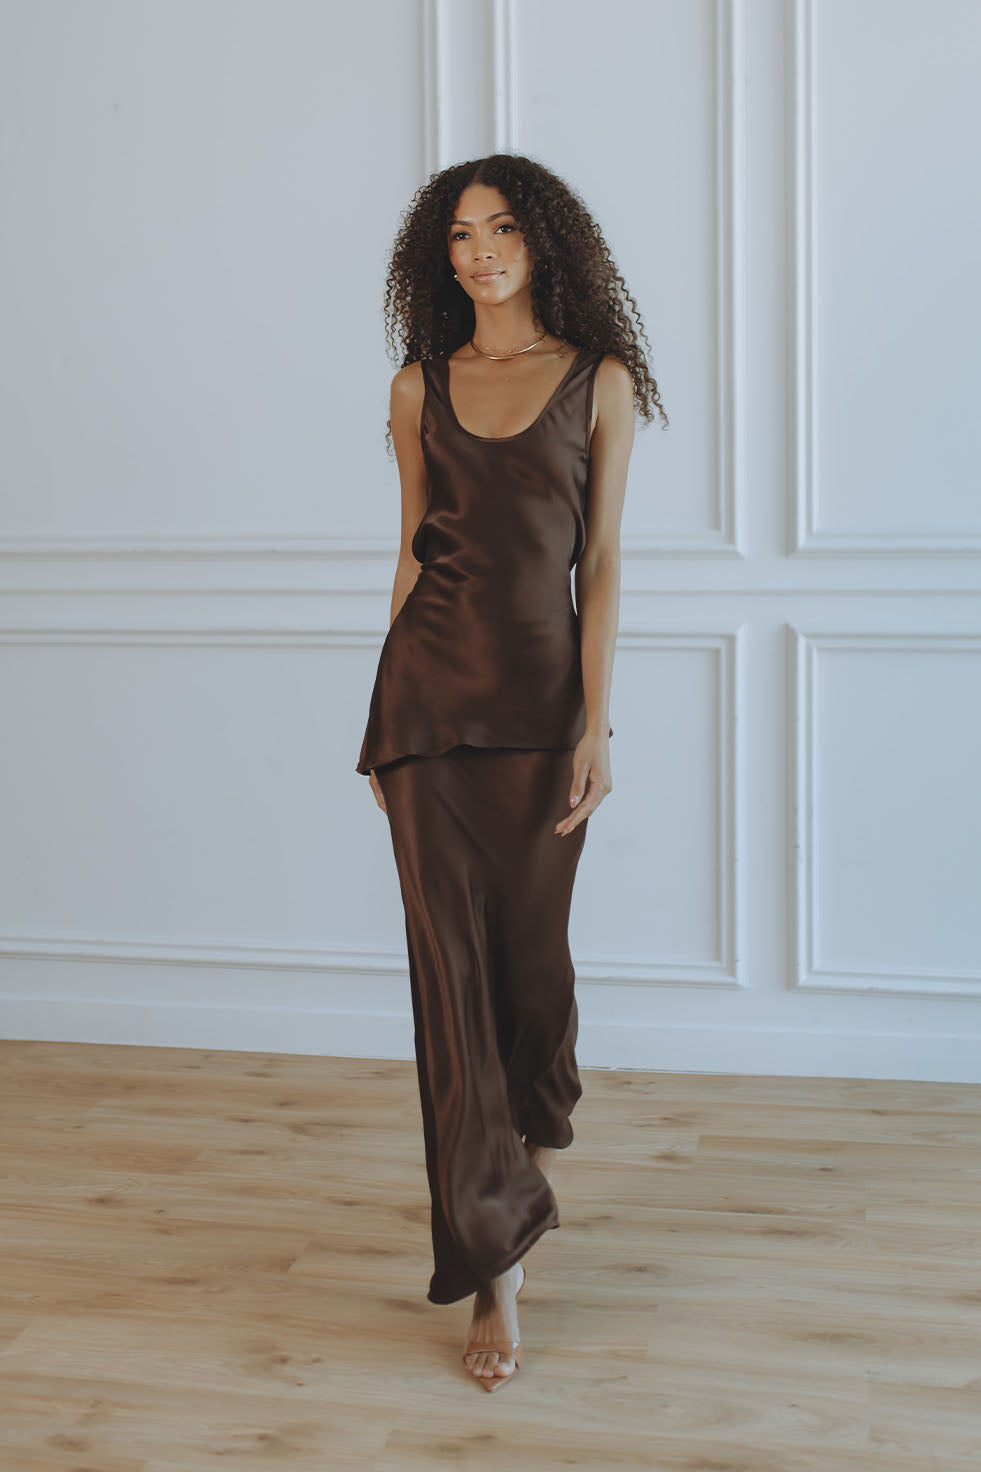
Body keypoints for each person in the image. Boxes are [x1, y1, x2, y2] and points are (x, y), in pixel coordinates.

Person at [355, 153, 667, 1389]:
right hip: (426, 710)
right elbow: (410, 553)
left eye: (499, 229)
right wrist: (381, 711)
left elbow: (602, 562)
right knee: (451, 984)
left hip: (543, 714)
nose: (478, 251)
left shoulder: (601, 381)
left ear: (542, 241)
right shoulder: (417, 387)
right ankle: (494, 1266)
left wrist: (599, 722)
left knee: (531, 972)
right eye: (459, 235)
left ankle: (532, 1142)